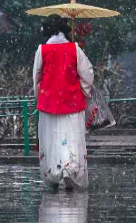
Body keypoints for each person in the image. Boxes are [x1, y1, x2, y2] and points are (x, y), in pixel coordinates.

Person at [33, 17, 94, 189]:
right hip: (72, 103)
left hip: (49, 103)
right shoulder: (74, 48)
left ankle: (53, 173)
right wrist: (83, 90)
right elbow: (87, 73)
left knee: (51, 139)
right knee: (71, 138)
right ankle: (71, 171)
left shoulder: (42, 50)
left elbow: (36, 78)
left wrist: (42, 96)